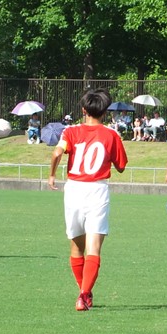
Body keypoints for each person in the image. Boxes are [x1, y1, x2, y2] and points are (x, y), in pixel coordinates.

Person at [48, 88, 128, 311]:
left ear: (83, 110)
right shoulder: (112, 135)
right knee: (94, 246)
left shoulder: (71, 132)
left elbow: (56, 153)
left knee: (76, 246)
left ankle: (83, 292)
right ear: (105, 111)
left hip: (73, 189)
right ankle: (84, 295)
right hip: (97, 190)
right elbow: (121, 167)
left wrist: (52, 175)